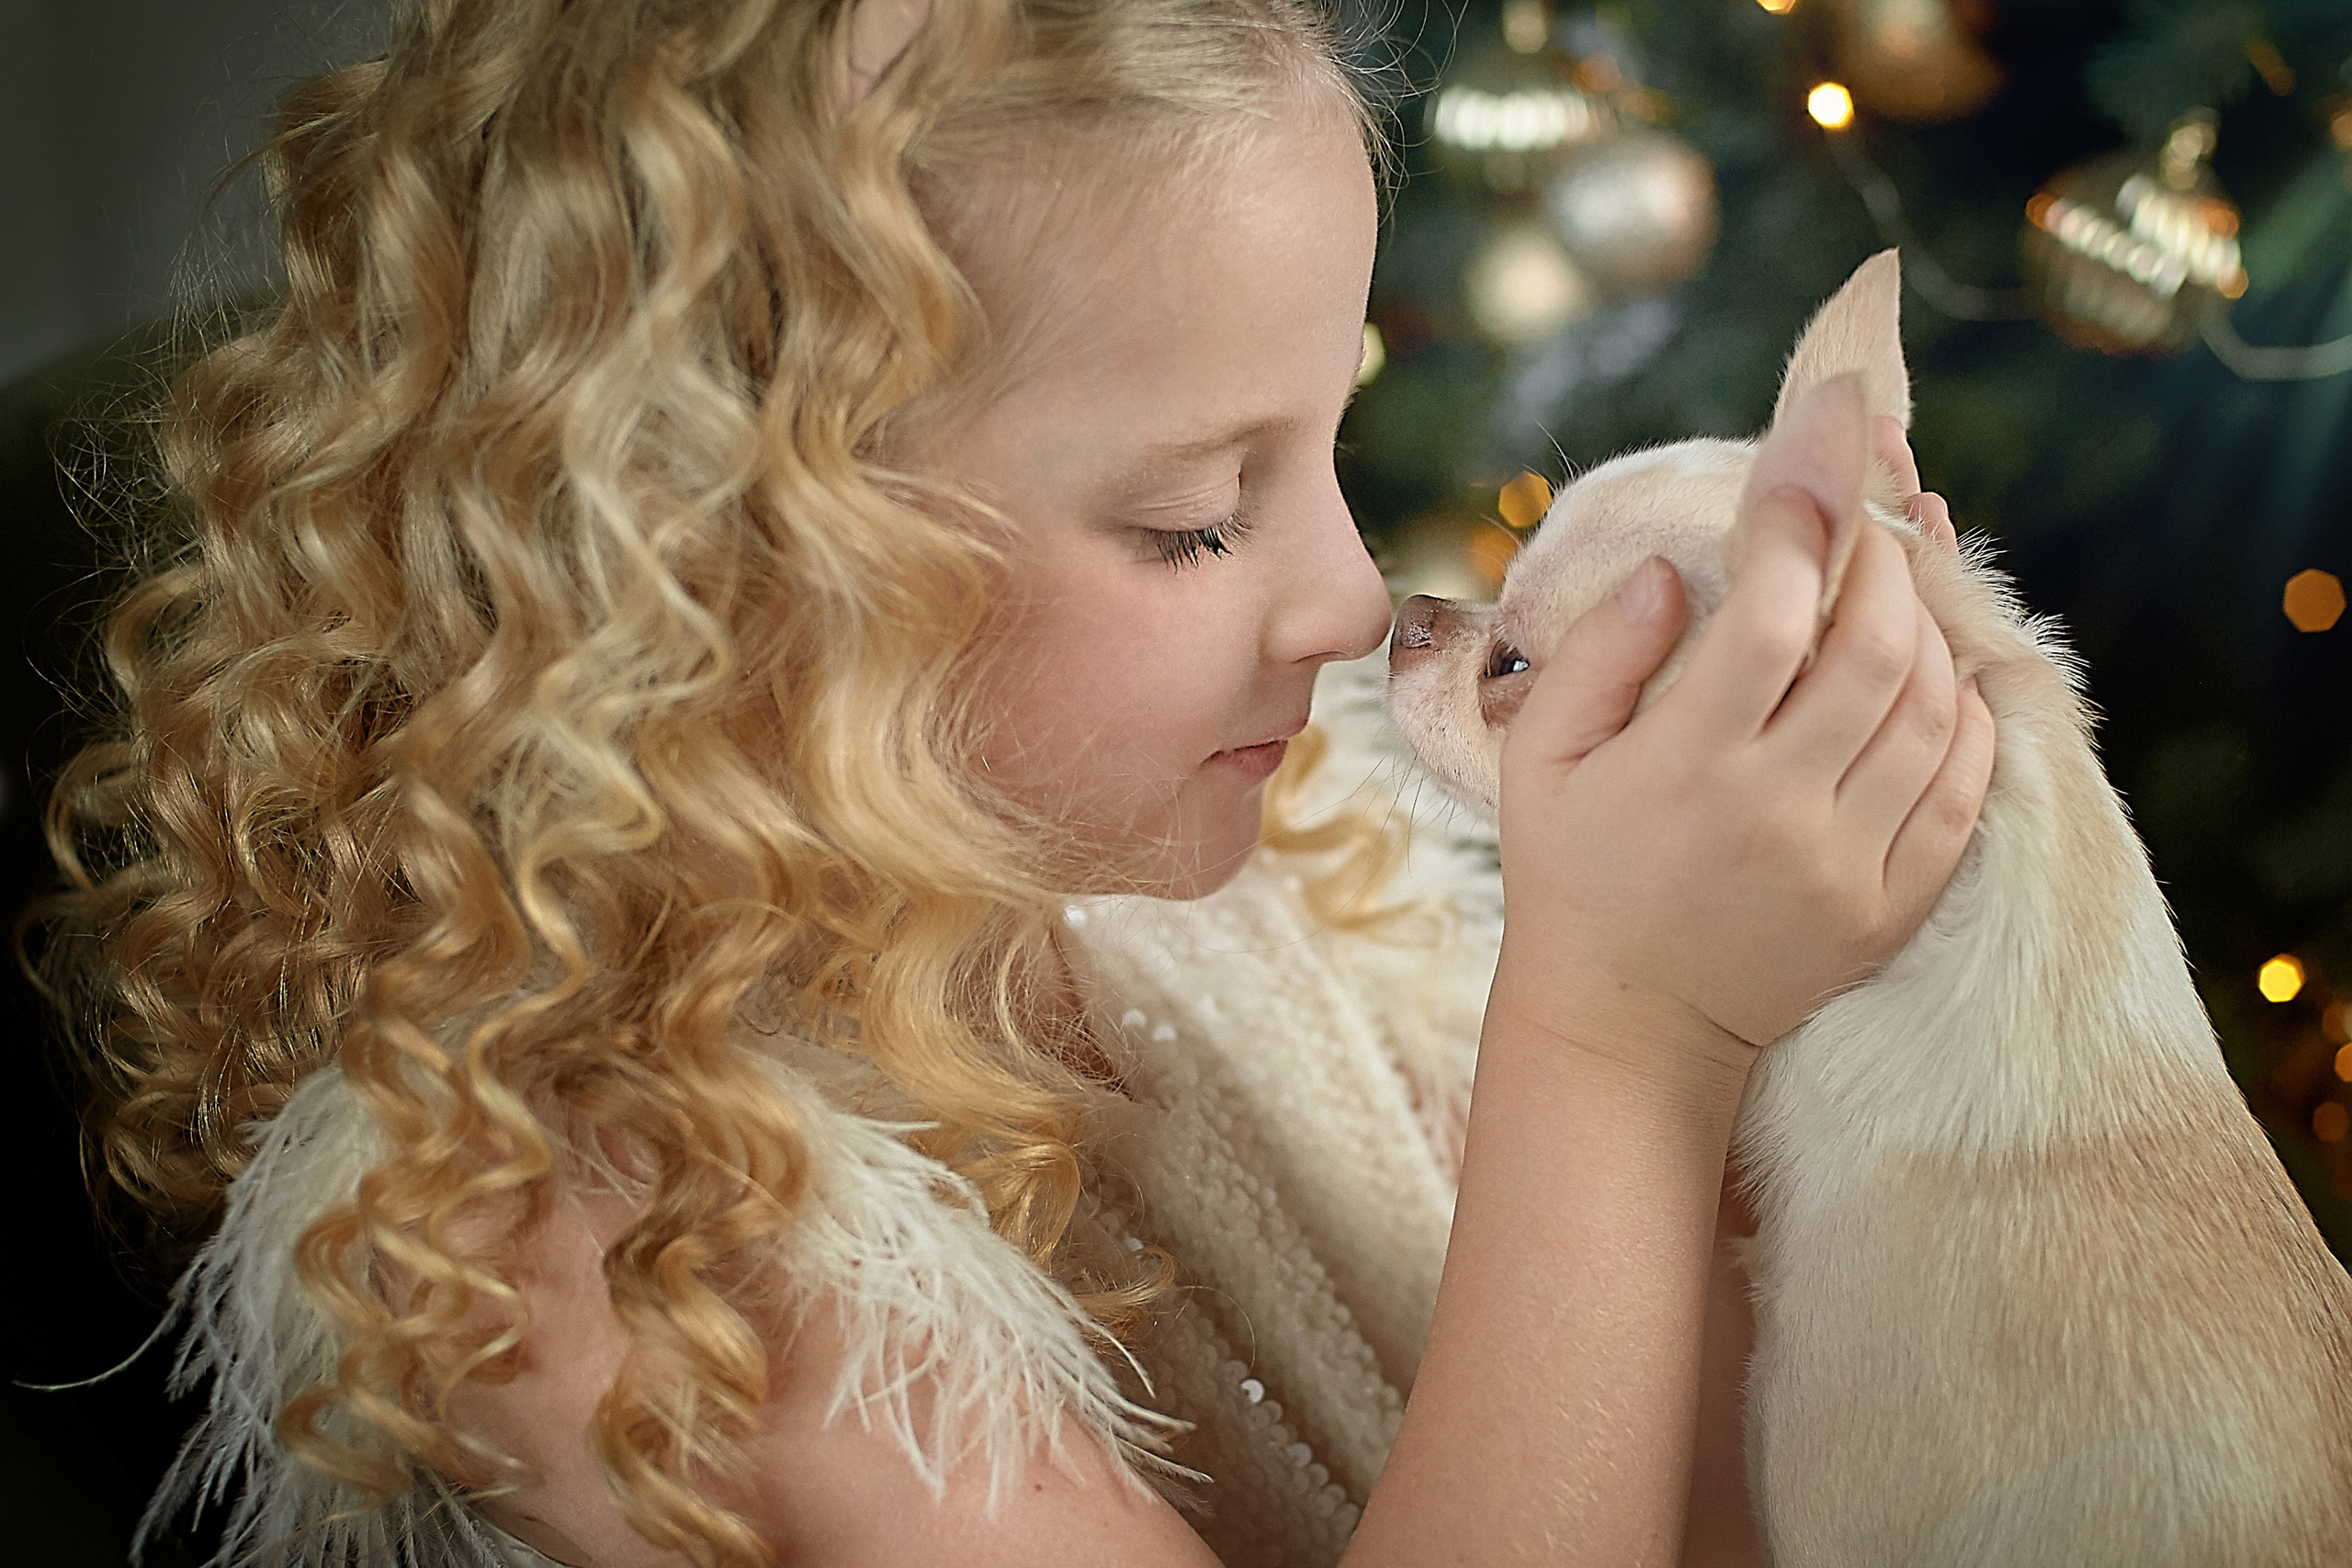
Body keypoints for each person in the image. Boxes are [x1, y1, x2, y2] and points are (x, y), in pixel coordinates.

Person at [40, 2, 1994, 1565]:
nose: (1338, 592)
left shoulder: (1271, 883)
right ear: (732, 572)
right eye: (1193, 515)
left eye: (1325, 441)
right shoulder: (618, 1250)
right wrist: (1629, 1041)